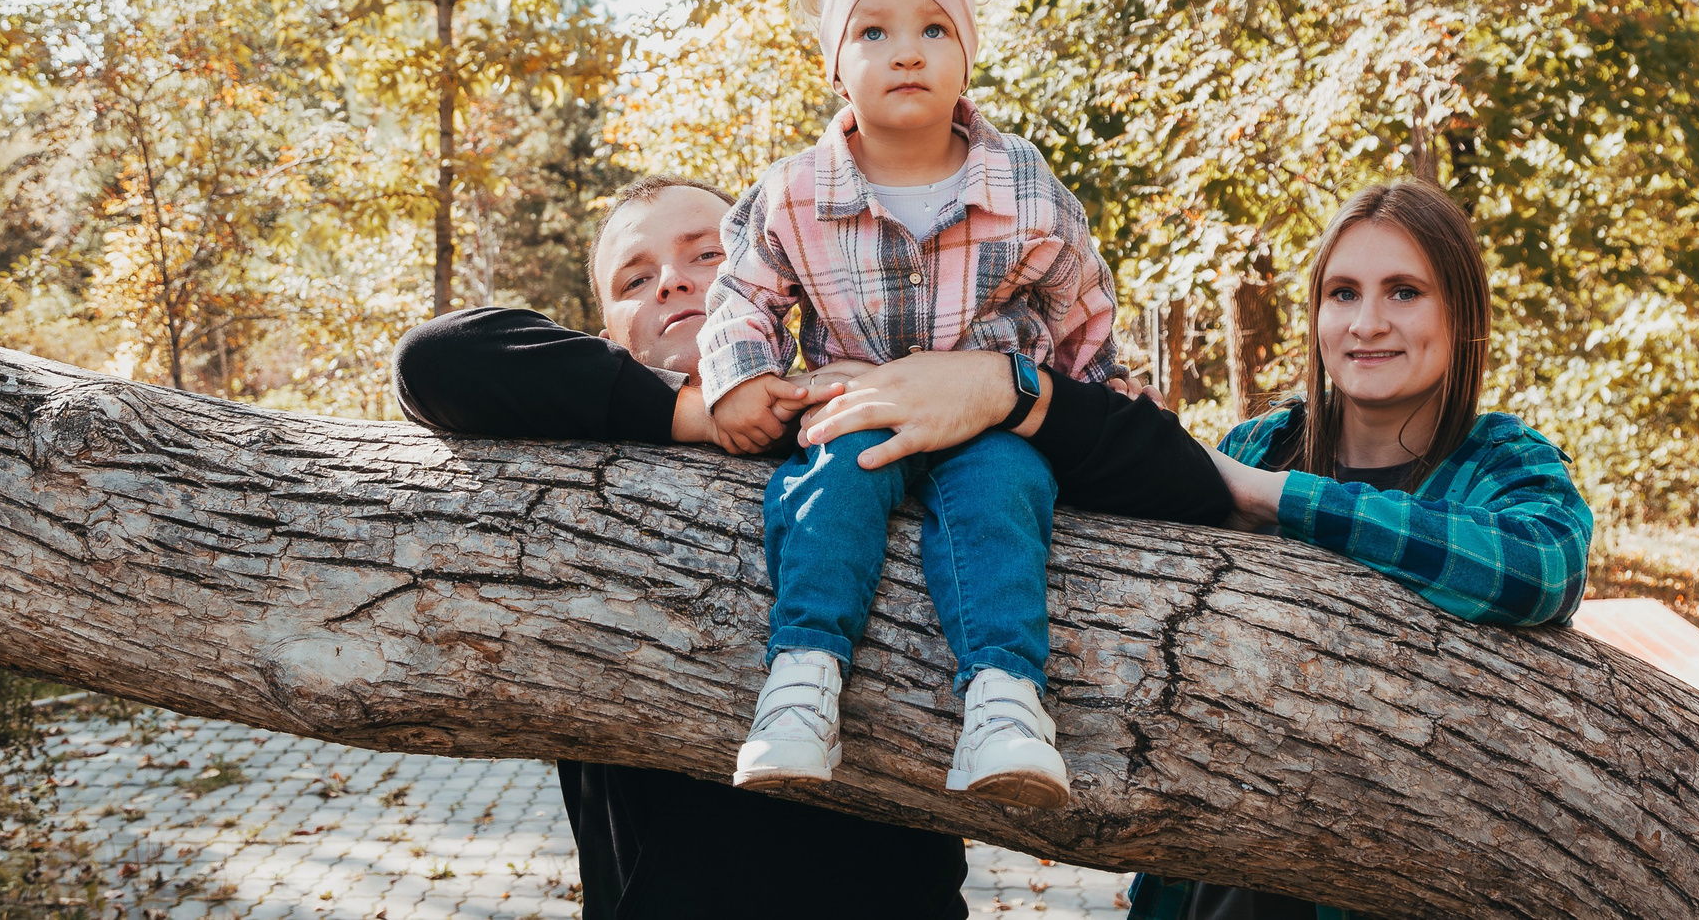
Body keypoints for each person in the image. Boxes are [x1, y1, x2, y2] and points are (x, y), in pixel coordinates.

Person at [393, 172, 1228, 920]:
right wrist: (701, 410)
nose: (674, 281)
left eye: (704, 257)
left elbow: (1182, 483)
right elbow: (432, 361)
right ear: (606, 330)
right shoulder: (583, 455)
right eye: (635, 278)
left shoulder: (890, 421)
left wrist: (1003, 385)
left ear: (772, 291)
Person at [698, 0, 1123, 808]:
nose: (906, 53)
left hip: (987, 415)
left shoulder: (1025, 184)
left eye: (935, 30)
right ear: (834, 65)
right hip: (859, 406)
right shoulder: (794, 190)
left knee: (1004, 493)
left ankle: (1004, 700)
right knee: (825, 486)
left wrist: (1102, 411)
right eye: (873, 33)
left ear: (967, 57)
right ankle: (803, 679)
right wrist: (741, 375)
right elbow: (742, 291)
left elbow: (1080, 304)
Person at [1126, 178, 1594, 920]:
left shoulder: (1499, 464)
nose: (1367, 321)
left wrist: (1275, 498)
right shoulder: (1260, 444)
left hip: (1408, 885)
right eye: (1343, 292)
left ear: (1462, 313)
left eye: (1404, 291)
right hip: (1214, 888)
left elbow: (1544, 569)